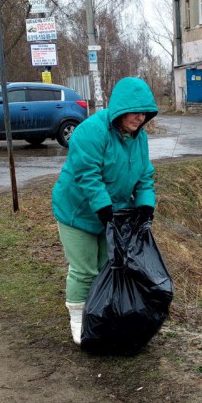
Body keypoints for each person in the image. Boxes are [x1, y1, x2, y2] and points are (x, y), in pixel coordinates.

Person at [52, 77, 158, 345]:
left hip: (113, 211)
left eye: (144, 112)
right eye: (134, 111)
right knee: (84, 269)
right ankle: (78, 319)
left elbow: (145, 173)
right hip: (78, 212)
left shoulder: (139, 137)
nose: (139, 117)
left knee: (105, 266)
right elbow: (88, 174)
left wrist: (145, 204)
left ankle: (98, 313)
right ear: (120, 109)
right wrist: (103, 207)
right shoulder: (91, 131)